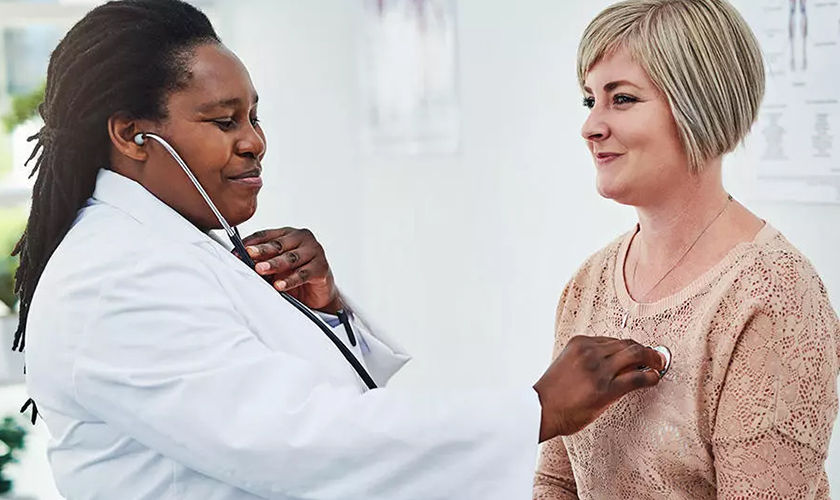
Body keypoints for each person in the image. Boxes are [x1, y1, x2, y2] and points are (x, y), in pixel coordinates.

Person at [17, 1, 667, 499]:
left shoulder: (168, 247)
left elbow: (294, 405)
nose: (254, 143)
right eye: (224, 121)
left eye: (253, 116)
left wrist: (318, 312)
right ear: (133, 136)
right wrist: (534, 409)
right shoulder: (111, 277)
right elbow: (299, 440)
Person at [533, 0, 840, 498]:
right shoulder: (587, 285)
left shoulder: (773, 297)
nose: (590, 127)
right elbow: (555, 482)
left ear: (700, 104)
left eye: (623, 99)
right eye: (590, 101)